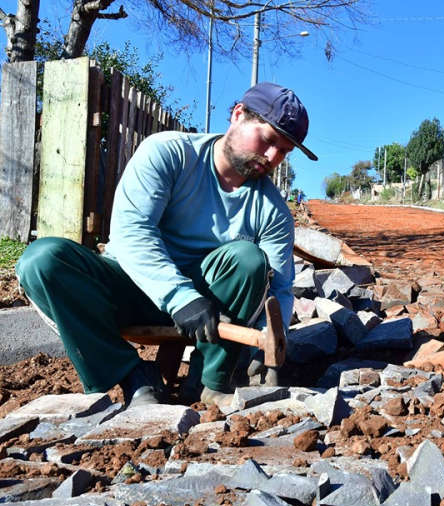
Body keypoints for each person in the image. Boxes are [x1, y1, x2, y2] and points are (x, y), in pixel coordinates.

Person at [15, 81, 318, 408]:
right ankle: (132, 375)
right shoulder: (170, 153)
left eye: (284, 151)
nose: (273, 157)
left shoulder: (273, 211)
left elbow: (281, 288)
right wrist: (179, 297)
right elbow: (132, 231)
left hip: (208, 306)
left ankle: (208, 384)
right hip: (130, 287)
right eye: (268, 140)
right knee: (42, 261)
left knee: (249, 260)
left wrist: (267, 347)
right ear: (238, 115)